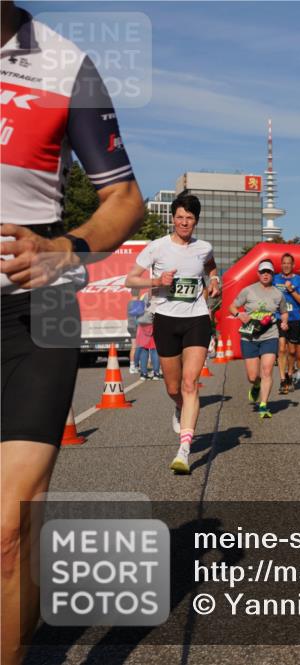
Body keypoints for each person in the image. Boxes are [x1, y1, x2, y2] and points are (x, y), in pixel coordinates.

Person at [1, 4, 144, 662]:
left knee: (9, 529)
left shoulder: (66, 64)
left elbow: (125, 198)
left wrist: (67, 248)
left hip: (41, 308)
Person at [125, 194, 219, 474]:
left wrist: (215, 280)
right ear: (173, 218)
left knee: (191, 384)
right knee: (173, 388)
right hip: (165, 319)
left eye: (189, 218)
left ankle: (184, 450)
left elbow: (210, 266)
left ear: (196, 221)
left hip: (197, 319)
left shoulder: (203, 247)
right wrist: (157, 280)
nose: (184, 222)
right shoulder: (157, 247)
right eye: (180, 217)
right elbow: (130, 279)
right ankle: (179, 407)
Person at [229, 259, 289, 418]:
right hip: (249, 336)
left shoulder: (278, 294)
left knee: (267, 370)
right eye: (263, 272)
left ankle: (263, 405)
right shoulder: (248, 291)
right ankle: (256, 385)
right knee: (252, 376)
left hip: (270, 335)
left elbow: (284, 312)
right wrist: (239, 314)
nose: (265, 275)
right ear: (258, 274)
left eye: (268, 272)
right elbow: (232, 306)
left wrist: (284, 322)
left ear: (272, 274)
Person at [275, 253, 300, 393]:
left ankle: (290, 375)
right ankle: (283, 380)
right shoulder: (275, 279)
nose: (286, 265)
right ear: (281, 264)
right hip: (279, 317)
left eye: (288, 263)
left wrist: (291, 290)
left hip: (295, 319)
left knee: (292, 351)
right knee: (282, 348)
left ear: (293, 265)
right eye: (284, 263)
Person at [134, 292, 161, 379]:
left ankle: (143, 373)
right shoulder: (161, 297)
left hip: (143, 325)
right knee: (154, 350)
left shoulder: (144, 296)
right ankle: (156, 373)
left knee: (143, 350)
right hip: (154, 324)